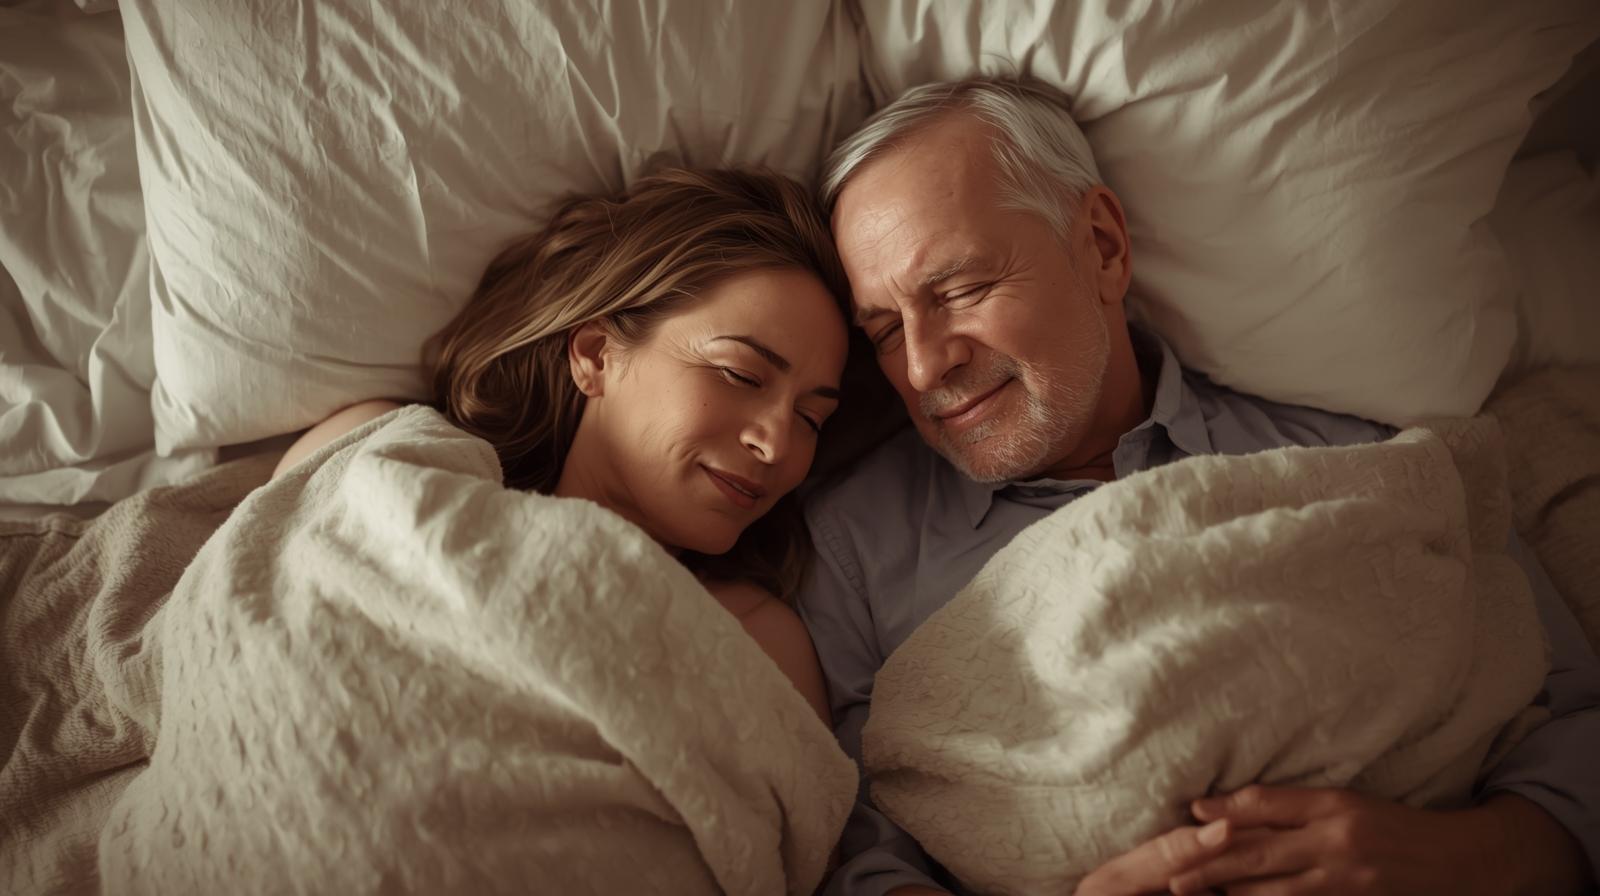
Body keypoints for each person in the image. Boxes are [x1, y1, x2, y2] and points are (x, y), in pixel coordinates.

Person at [797, 76, 1600, 896]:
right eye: (887, 331)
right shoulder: (846, 549)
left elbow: (1578, 719)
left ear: (1103, 248)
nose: (926, 365)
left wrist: (1442, 858)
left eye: (961, 289)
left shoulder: (1353, 462)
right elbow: (851, 858)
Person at [271, 167, 852, 725]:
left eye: (811, 418)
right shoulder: (381, 461)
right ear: (596, 355)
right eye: (740, 375)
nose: (777, 445)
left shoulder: (759, 645)